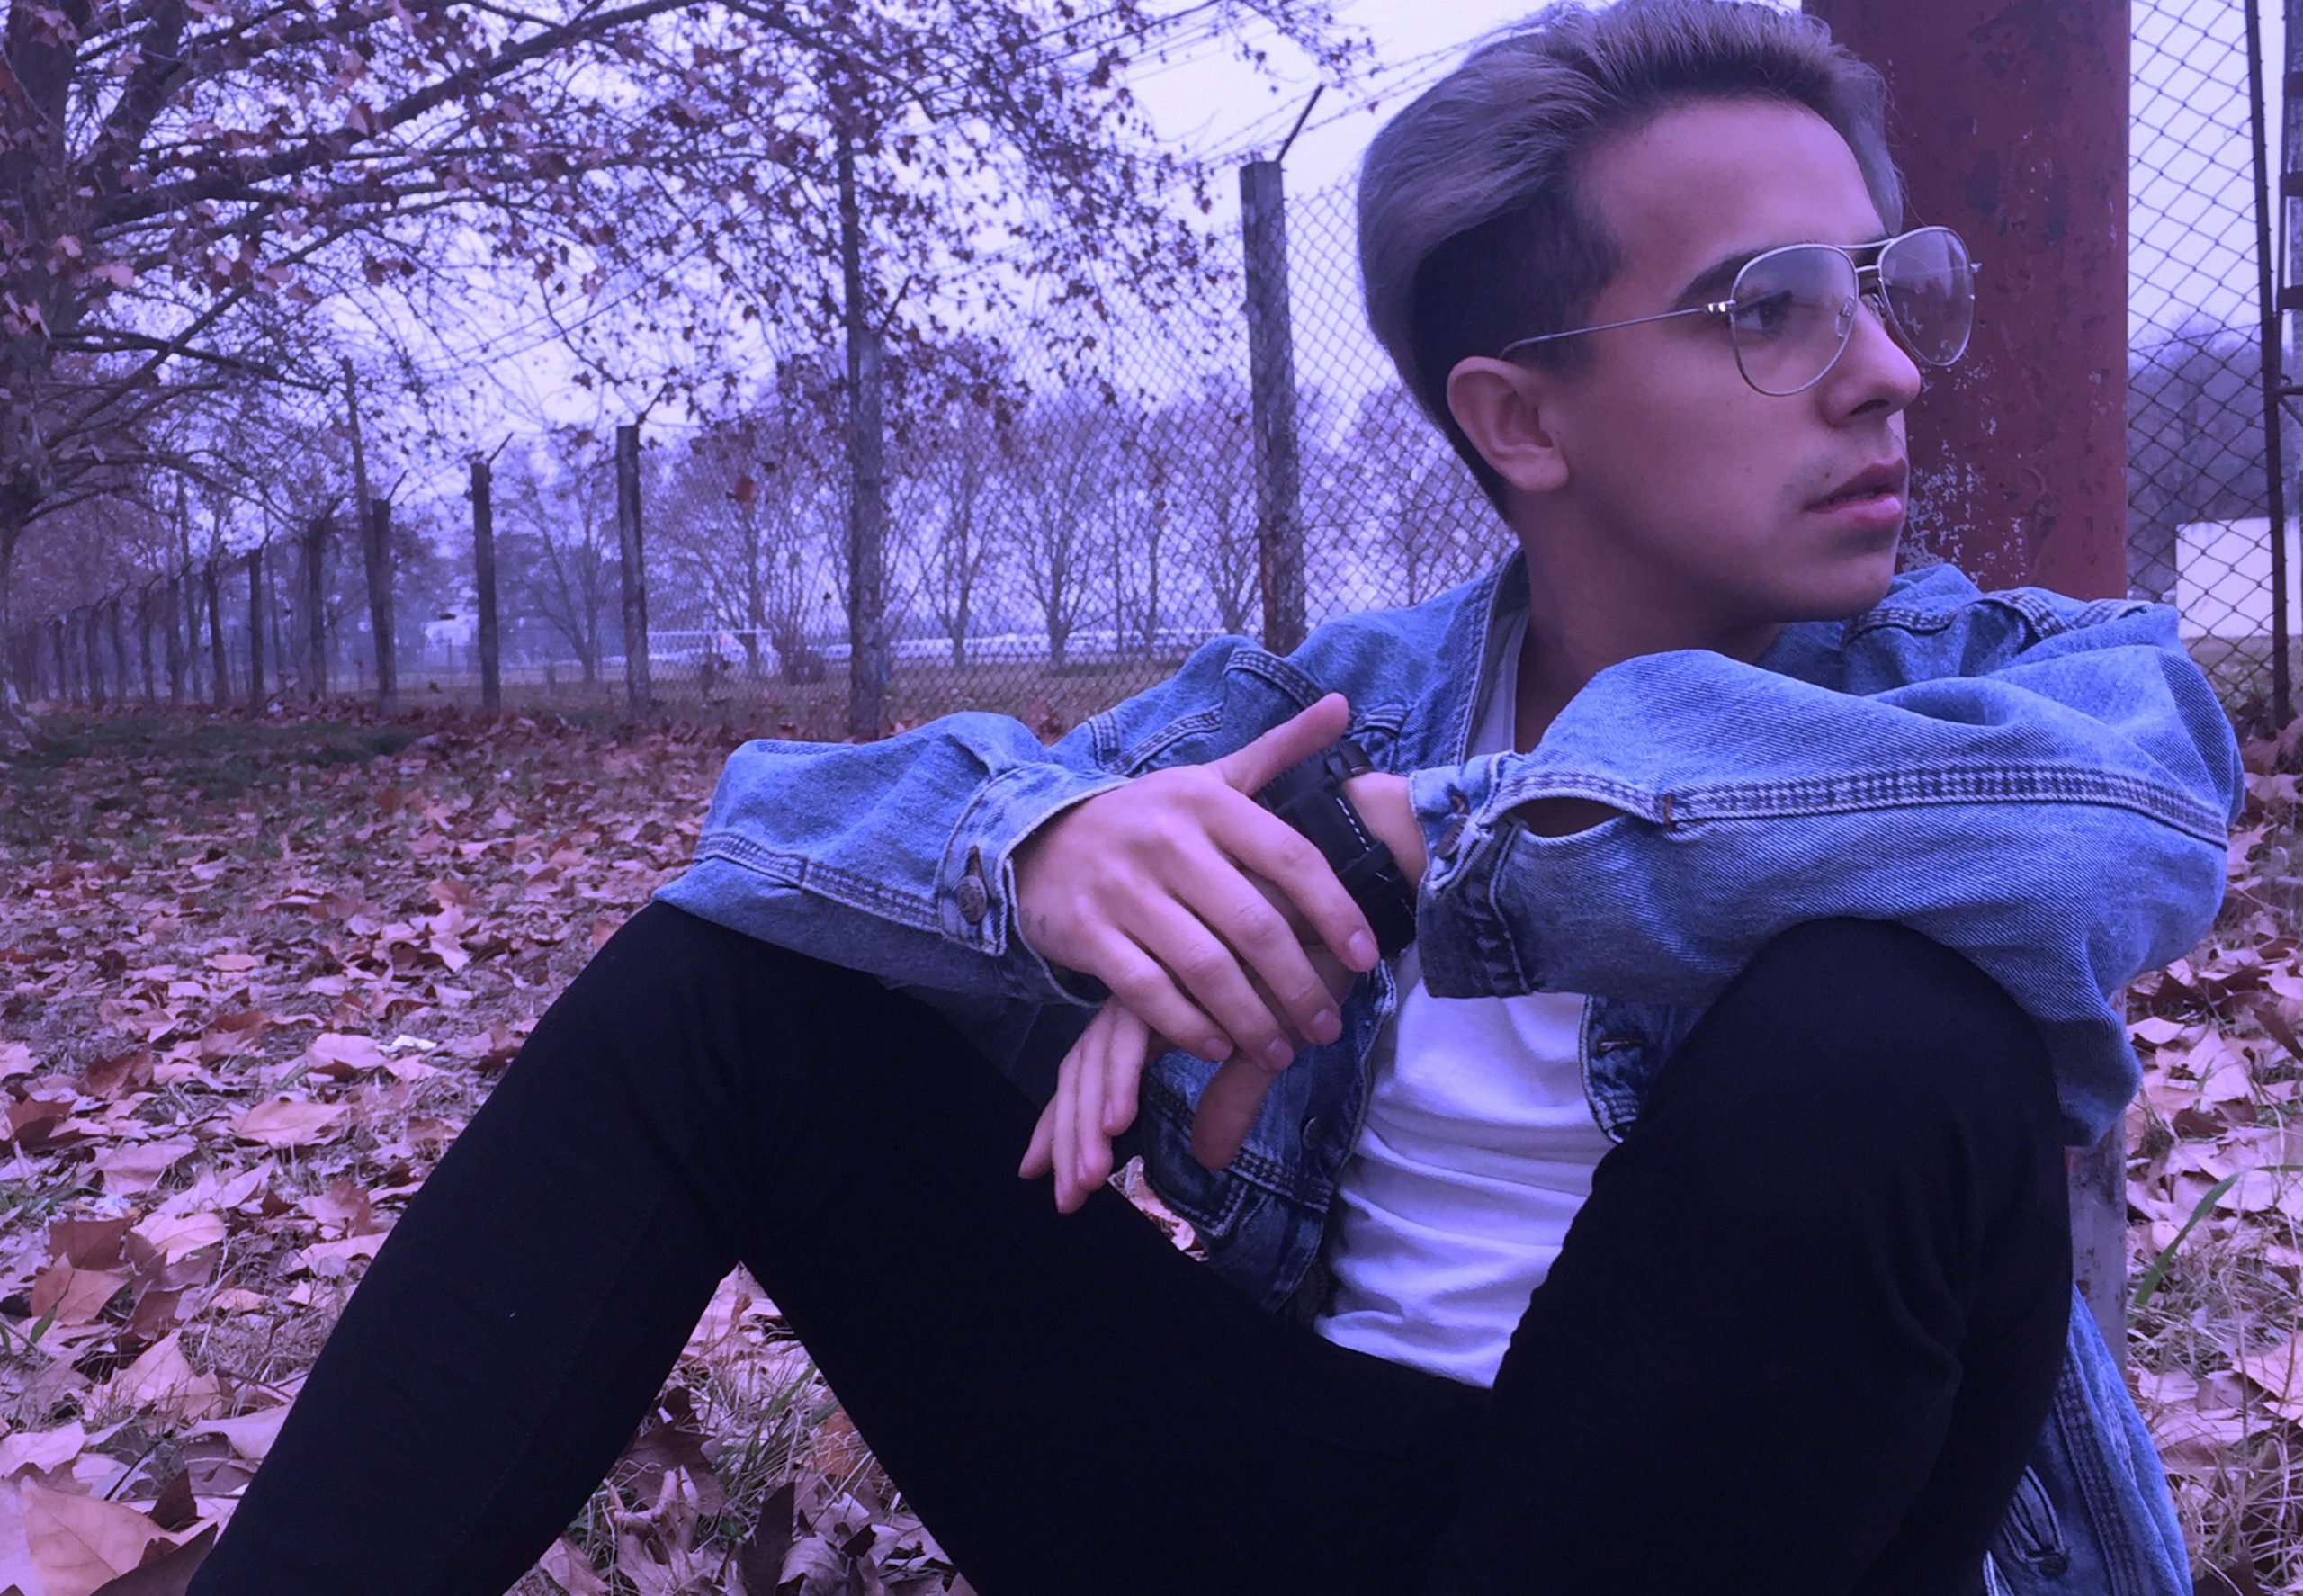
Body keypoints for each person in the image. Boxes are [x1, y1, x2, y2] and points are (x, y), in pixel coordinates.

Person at [187, 3, 2243, 1592]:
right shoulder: (1330, 709)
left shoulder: (2000, 687)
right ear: (1517, 417)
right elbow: (768, 842)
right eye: (1771, 306)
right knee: (723, 999)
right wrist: (1043, 852)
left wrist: (1438, 843)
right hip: (1305, 1488)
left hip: (1742, 1526)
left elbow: (2131, 820)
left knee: (1888, 1033)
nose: (1883, 367)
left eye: (1883, 287)